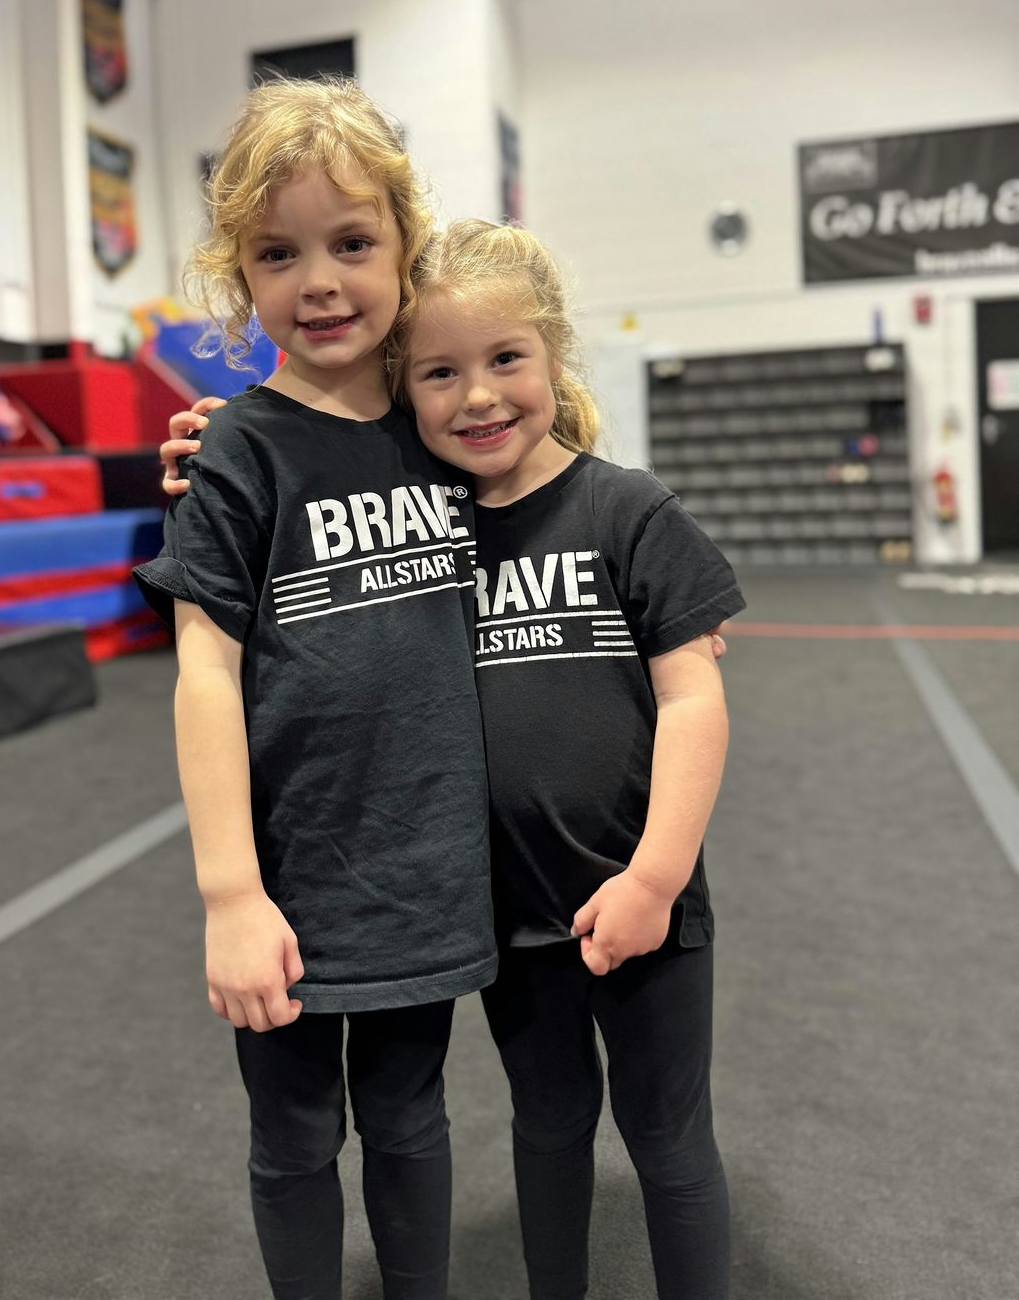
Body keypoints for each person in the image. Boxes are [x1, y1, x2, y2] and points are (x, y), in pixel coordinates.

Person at [159, 211, 740, 1299]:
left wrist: (657, 875)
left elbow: (692, 698)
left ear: (554, 355)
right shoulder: (437, 499)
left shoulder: (615, 508)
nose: (476, 396)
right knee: (547, 1122)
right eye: (439, 374)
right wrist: (223, 434)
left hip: (627, 894)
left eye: (507, 360)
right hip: (505, 909)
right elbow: (321, 452)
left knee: (665, 1136)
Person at [133, 79, 497, 1300]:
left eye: (351, 243)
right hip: (291, 873)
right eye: (279, 254)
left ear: (403, 244)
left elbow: (563, 486)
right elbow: (203, 670)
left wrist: (663, 619)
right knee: (293, 1133)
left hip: (425, 863)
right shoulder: (237, 451)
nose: (322, 282)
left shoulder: (447, 425)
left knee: (410, 1118)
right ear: (239, 274)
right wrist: (230, 891)